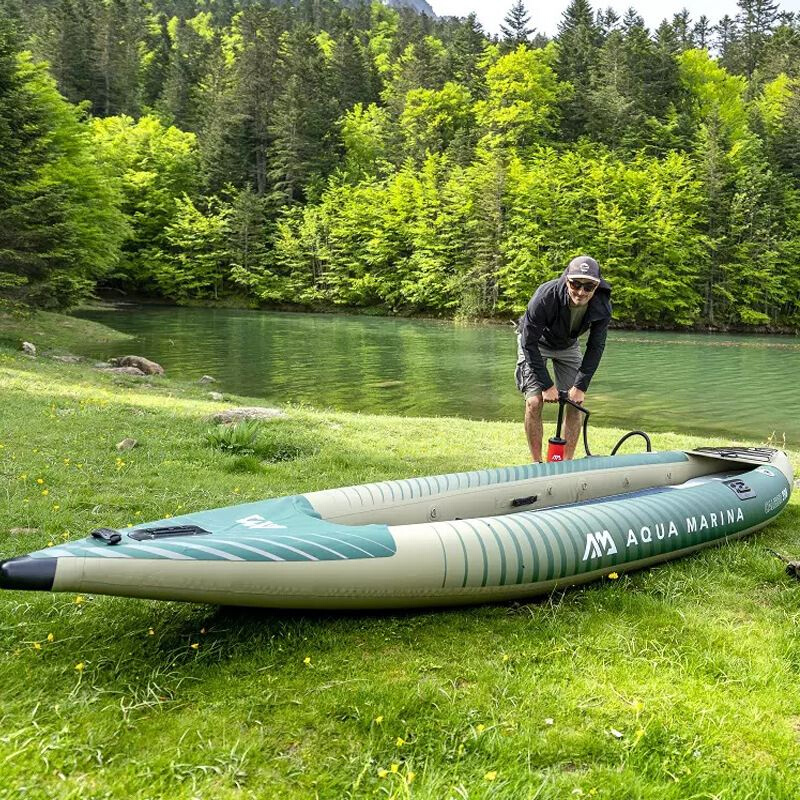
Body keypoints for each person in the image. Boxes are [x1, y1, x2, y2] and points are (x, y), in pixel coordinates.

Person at [515, 255, 612, 462]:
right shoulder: (545, 296)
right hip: (536, 343)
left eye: (588, 287)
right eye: (576, 284)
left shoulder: (602, 304)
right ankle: (537, 464)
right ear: (567, 279)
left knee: (575, 403)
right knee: (534, 401)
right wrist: (546, 384)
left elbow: (596, 347)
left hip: (568, 344)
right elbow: (528, 342)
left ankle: (566, 464)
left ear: (597, 285)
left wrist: (581, 386)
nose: (581, 292)